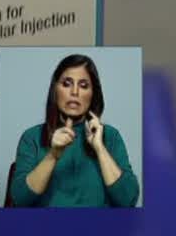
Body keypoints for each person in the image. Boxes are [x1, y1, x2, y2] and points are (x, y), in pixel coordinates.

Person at [9, 54, 140, 207]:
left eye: (83, 85)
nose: (75, 92)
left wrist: (100, 148)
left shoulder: (111, 136)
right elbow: (19, 200)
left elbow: (128, 200)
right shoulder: (32, 137)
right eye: (67, 84)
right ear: (55, 90)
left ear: (93, 94)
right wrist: (53, 155)